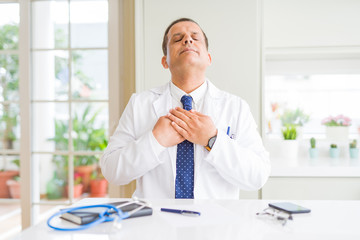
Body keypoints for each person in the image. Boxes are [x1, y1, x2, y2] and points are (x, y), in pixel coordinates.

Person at [100, 18, 270, 199]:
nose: (187, 40)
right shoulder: (139, 104)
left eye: (195, 38)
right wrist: (155, 141)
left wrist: (213, 139)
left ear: (208, 58)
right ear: (165, 61)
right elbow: (111, 170)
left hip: (215, 223)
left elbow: (258, 175)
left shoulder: (236, 107)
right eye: (177, 39)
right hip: (155, 223)